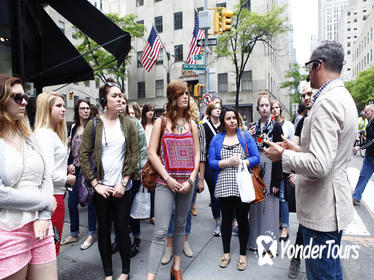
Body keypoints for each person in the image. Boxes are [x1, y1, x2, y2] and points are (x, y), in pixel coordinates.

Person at [264, 40, 357, 279]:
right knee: (330, 272)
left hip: (322, 209)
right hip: (330, 205)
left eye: (308, 66)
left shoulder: (326, 102)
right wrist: (297, 147)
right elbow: (330, 154)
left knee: (323, 275)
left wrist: (283, 155)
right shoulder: (342, 96)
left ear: (318, 65)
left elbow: (320, 165)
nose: (307, 73)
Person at [80, 78, 138, 280]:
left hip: (122, 187)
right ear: (105, 100)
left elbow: (133, 155)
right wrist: (95, 184)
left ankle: (125, 271)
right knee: (103, 231)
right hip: (101, 189)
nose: (119, 99)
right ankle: (108, 273)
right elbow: (84, 155)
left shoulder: (128, 123)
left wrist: (123, 182)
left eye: (120, 95)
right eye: (114, 95)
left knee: (122, 229)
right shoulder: (93, 125)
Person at [0, 74, 57, 280]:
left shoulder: (28, 135)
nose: (24, 101)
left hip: (40, 227)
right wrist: (45, 202)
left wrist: (44, 216)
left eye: (24, 96)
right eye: (17, 97)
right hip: (8, 229)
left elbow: (46, 178)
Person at [146, 80, 200, 280]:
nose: (186, 96)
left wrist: (192, 179)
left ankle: (176, 268)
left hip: (187, 184)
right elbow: (151, 153)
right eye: (181, 93)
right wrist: (168, 178)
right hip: (164, 184)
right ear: (172, 97)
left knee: (179, 226)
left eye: (187, 93)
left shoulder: (192, 124)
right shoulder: (161, 122)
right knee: (160, 232)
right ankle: (150, 276)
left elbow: (197, 154)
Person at [209, 106, 260, 271]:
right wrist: (227, 162)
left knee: (243, 219)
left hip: (242, 185)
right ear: (223, 121)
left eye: (234, 118)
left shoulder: (245, 136)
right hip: (224, 185)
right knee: (226, 220)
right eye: (228, 118)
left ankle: (243, 254)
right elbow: (211, 163)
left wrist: (244, 162)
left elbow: (256, 158)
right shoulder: (217, 139)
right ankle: (226, 253)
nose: (232, 121)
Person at [161, 97, 205, 264]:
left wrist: (198, 178)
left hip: (189, 176)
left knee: (185, 213)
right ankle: (169, 246)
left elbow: (200, 154)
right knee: (171, 211)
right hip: (170, 176)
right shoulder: (165, 124)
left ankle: (184, 242)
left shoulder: (195, 126)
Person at [35, 92, 76, 256]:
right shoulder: (45, 135)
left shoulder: (51, 133)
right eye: (58, 106)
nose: (64, 109)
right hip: (52, 198)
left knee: (51, 249)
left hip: (55, 196)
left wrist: (65, 168)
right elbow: (47, 174)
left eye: (63, 105)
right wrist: (68, 179)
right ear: (47, 109)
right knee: (50, 252)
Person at [247, 92, 283, 253]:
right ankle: (254, 241)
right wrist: (250, 136)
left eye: (266, 105)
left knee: (270, 206)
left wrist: (276, 181)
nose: (264, 108)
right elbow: (248, 149)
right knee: (255, 205)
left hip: (271, 164)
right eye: (261, 105)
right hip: (256, 166)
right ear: (257, 108)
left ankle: (269, 245)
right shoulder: (253, 127)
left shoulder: (276, 126)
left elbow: (280, 154)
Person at [62, 99, 97, 250]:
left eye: (87, 108)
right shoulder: (74, 127)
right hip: (75, 168)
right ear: (77, 111)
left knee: (90, 202)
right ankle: (74, 232)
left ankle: (91, 233)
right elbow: (72, 150)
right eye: (82, 108)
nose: (85, 111)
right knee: (71, 202)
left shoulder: (94, 126)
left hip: (88, 169)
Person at [124, 96, 148, 257]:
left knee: (132, 210)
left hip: (134, 176)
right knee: (120, 213)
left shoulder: (136, 125)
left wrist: (139, 173)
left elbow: (142, 150)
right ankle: (121, 239)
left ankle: (136, 239)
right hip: (115, 176)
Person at [271, 100, 294, 242]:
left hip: (285, 163)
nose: (274, 110)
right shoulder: (269, 125)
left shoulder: (289, 125)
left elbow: (293, 145)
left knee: (283, 197)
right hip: (273, 164)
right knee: (275, 196)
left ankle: (285, 227)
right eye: (272, 108)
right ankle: (278, 221)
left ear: (281, 109)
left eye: (276, 108)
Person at [202, 101, 222, 236]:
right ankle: (218, 222)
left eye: (219, 108)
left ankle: (232, 221)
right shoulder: (204, 126)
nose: (218, 110)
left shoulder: (224, 125)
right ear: (209, 111)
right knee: (214, 194)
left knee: (226, 193)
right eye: (215, 108)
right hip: (210, 165)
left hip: (224, 163)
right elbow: (202, 148)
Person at [352, 104, 374, 206]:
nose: (364, 114)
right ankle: (356, 197)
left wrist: (360, 147)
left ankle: (356, 196)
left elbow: (373, 141)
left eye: (366, 112)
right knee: (363, 176)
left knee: (363, 176)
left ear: (372, 111)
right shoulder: (369, 122)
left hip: (371, 154)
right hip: (369, 155)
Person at [141, 103, 156, 225]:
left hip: (153, 158)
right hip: (142, 158)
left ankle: (152, 214)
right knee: (142, 186)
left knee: (152, 186)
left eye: (152, 110)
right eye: (148, 110)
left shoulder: (156, 124)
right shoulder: (141, 125)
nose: (151, 113)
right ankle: (142, 212)